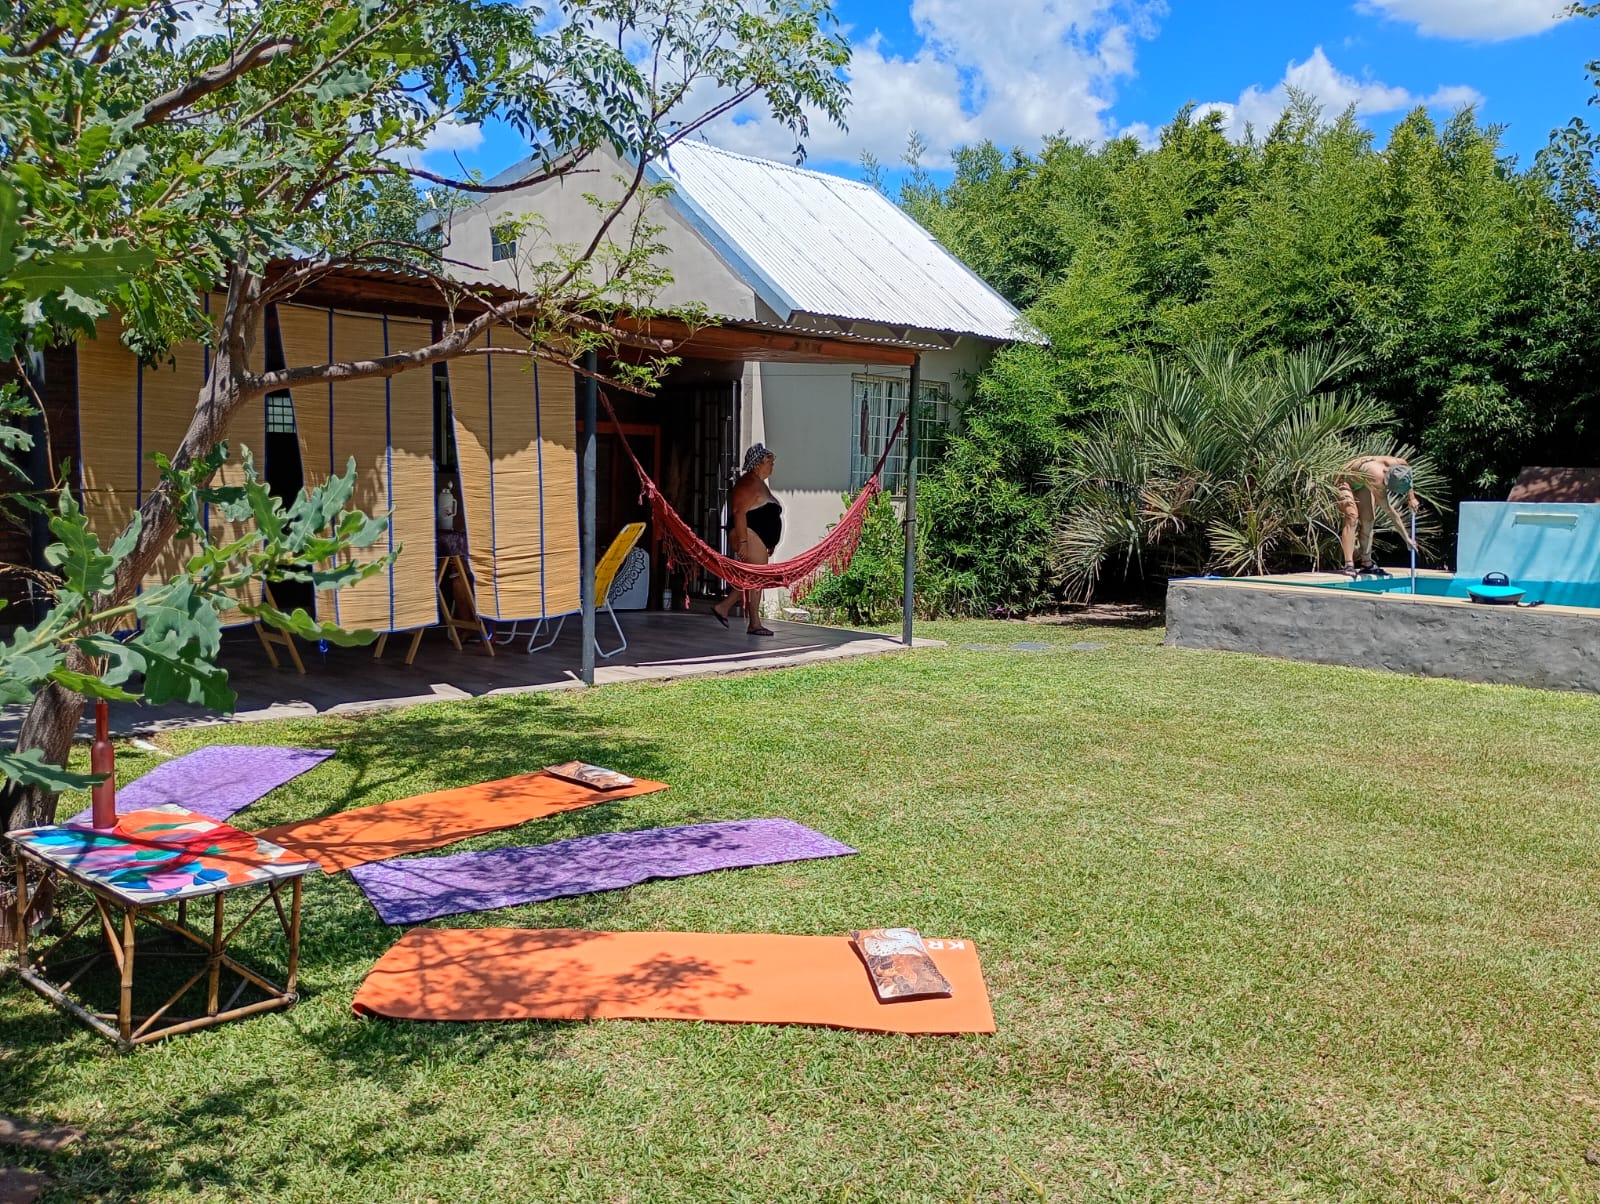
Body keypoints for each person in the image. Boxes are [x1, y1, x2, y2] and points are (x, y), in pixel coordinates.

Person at [711, 443, 781, 636]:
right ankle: (753, 622)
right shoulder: (748, 482)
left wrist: (770, 542)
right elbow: (738, 511)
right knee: (757, 577)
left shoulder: (757, 483)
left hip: (755, 537)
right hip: (747, 534)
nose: (772, 465)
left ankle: (724, 608)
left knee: (753, 577)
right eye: (769, 462)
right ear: (758, 464)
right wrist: (743, 542)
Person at [1335, 455, 1418, 576]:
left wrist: (1411, 497)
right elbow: (1390, 512)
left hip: (1361, 482)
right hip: (1344, 480)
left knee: (1369, 519)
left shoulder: (1399, 463)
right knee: (1352, 517)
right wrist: (1406, 538)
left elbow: (1407, 474)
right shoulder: (1377, 480)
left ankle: (1367, 564)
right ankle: (1349, 564)